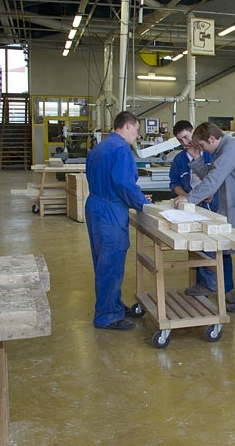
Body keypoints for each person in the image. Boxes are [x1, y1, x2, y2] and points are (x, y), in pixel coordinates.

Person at [173, 122, 235, 313]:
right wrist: (196, 158)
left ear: (212, 139)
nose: (202, 149)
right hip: (234, 209)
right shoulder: (223, 150)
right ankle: (230, 291)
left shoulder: (231, 149)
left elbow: (212, 181)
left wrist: (189, 199)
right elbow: (211, 175)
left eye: (202, 146)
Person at [85, 111, 151, 331]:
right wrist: (143, 203)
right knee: (112, 262)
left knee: (102, 261)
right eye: (137, 130)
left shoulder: (100, 147)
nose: (137, 135)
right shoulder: (122, 149)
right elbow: (124, 184)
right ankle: (107, 316)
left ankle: (113, 305)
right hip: (110, 210)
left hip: (95, 204)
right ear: (128, 126)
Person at [169, 120, 235, 303]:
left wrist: (210, 193)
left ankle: (226, 289)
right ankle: (204, 286)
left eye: (186, 137)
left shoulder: (210, 153)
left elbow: (217, 179)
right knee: (198, 247)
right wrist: (187, 197)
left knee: (221, 247)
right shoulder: (179, 160)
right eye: (180, 140)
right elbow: (174, 183)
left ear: (193, 132)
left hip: (215, 205)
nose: (185, 142)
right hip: (192, 209)